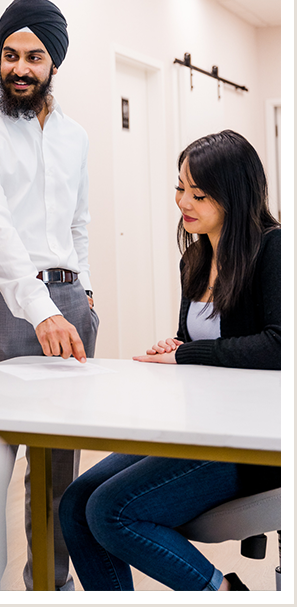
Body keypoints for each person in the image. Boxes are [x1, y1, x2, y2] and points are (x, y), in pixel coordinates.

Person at [59, 130, 280, 592]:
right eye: (180, 187)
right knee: (75, 501)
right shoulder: (196, 258)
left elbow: (277, 347)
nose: (184, 201)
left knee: (109, 511)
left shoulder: (273, 250)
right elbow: (196, 341)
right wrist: (174, 347)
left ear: (234, 195)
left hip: (248, 439)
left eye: (198, 193)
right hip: (197, 426)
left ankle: (222, 592)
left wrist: (187, 353)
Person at [0, 0, 99, 590]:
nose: (20, 68)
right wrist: (40, 311)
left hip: (68, 304)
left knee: (61, 471)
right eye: (10, 54)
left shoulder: (75, 136)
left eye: (34, 56)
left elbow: (78, 224)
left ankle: (49, 588)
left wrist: (83, 297)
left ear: (54, 62)